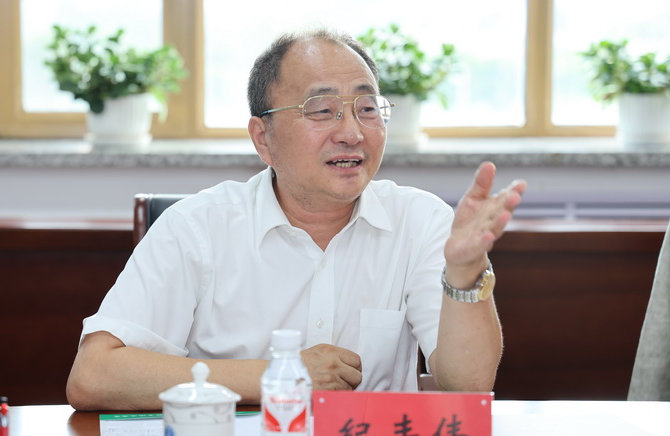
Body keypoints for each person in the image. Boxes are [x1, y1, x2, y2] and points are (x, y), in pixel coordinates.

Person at [66, 28, 527, 411]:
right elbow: (94, 375)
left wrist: (466, 272)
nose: (352, 132)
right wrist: (279, 376)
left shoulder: (420, 221)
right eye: (322, 111)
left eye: (367, 109)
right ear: (263, 138)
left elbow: (468, 385)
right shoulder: (196, 228)